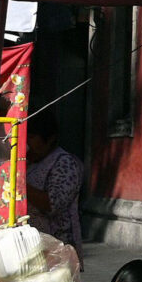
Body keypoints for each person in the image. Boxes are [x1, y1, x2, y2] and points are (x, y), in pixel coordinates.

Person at [24, 111, 88, 262]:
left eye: (32, 137)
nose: (27, 143)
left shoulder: (65, 163)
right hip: (33, 246)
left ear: (50, 139)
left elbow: (53, 204)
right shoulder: (32, 162)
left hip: (58, 249)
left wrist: (20, 184)